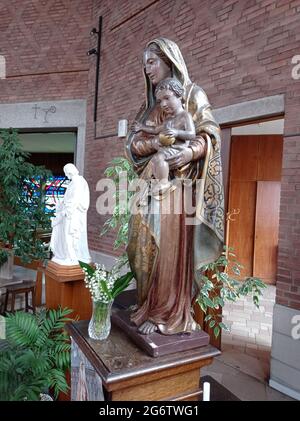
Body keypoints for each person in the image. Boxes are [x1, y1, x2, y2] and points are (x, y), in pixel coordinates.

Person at [125, 37, 224, 335]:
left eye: (151, 62)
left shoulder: (193, 95)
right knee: (140, 244)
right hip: (149, 185)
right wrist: (155, 142)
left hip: (177, 190)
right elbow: (133, 143)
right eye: (144, 65)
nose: (147, 69)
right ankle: (147, 302)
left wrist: (188, 152)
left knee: (166, 247)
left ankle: (163, 312)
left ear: (168, 60)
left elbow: (209, 134)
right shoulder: (151, 103)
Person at [133, 77, 196, 195]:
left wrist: (177, 133)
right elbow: (156, 129)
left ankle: (164, 183)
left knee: (159, 157)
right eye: (160, 101)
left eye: (167, 98)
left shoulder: (184, 116)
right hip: (168, 148)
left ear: (179, 95)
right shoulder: (168, 119)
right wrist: (142, 127)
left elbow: (192, 134)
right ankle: (159, 182)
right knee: (155, 160)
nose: (163, 104)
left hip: (179, 149)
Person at [50, 163, 91, 266]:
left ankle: (71, 257)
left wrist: (65, 210)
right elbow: (67, 199)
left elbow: (75, 200)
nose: (66, 175)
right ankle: (67, 256)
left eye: (66, 173)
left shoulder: (78, 182)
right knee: (66, 235)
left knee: (70, 235)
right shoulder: (73, 182)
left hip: (73, 215)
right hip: (69, 213)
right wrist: (60, 204)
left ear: (69, 171)